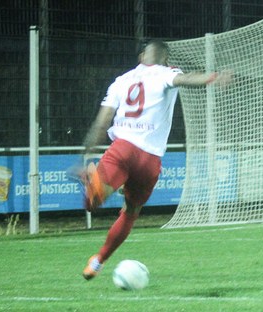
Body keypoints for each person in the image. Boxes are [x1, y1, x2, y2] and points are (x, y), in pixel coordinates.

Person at [78, 40, 230, 280]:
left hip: (122, 149)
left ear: (141, 57)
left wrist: (88, 151)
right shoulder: (166, 73)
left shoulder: (120, 81)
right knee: (130, 213)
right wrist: (212, 77)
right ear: (166, 59)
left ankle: (95, 188)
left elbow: (102, 122)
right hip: (149, 159)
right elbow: (186, 79)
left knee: (91, 203)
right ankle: (98, 261)